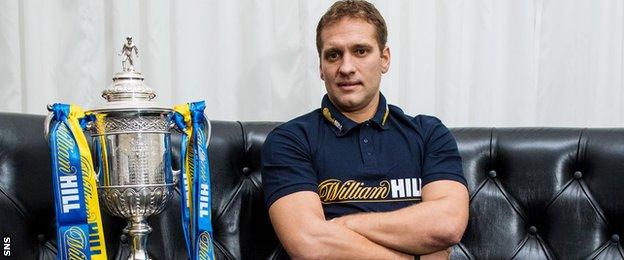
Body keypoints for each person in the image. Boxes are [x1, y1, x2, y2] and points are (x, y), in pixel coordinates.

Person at [261, 1, 469, 259]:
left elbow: (447, 224)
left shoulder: (429, 134)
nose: (346, 68)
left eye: (360, 51)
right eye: (333, 55)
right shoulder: (290, 140)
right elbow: (310, 244)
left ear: (384, 59)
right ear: (321, 68)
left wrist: (340, 226)